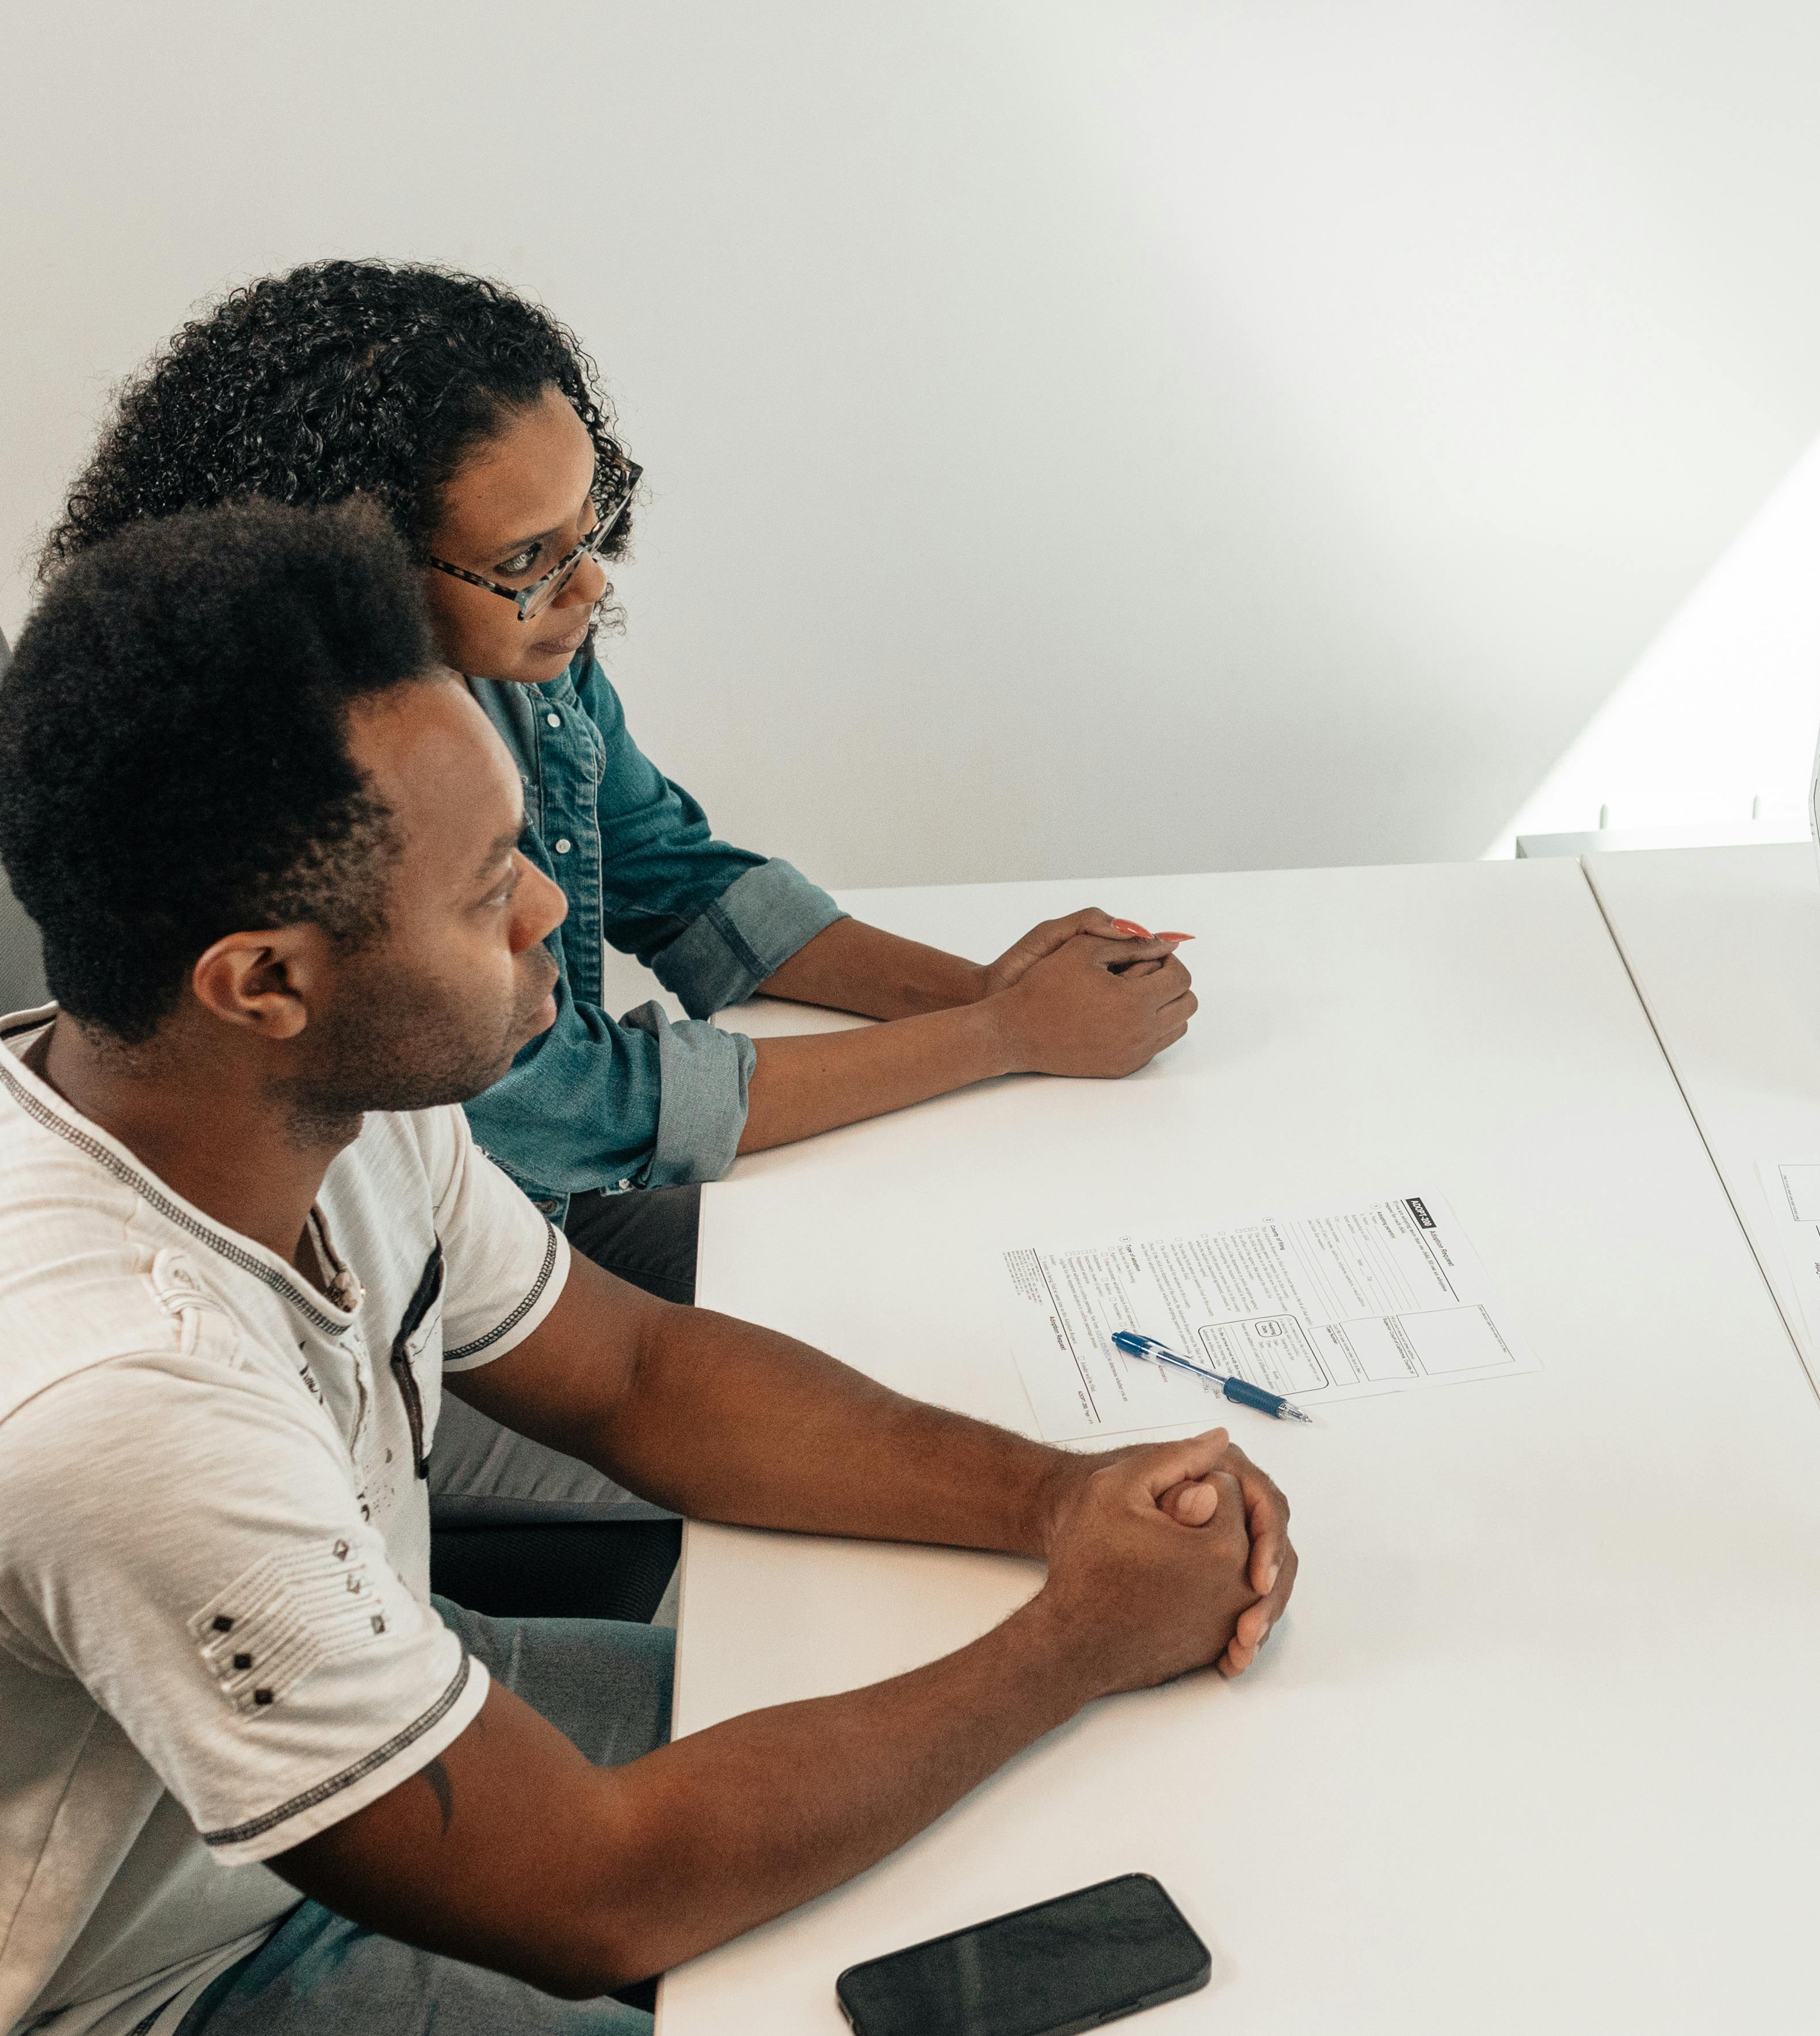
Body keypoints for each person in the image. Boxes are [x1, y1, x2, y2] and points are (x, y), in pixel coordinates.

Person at [0, 502, 1299, 2035]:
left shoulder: (322, 1107)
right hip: (162, 1972)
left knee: (1038, 1800)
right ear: (266, 982)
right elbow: (592, 1890)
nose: (549, 906)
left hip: (400, 1689)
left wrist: (1057, 1500)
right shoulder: (121, 1401)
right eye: (490, 889)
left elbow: (634, 1370)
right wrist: (1075, 1633)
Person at [45, 258, 1195, 1522]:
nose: (592, 583)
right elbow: (571, 1099)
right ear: (357, 559)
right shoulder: (274, 800)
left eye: (594, 520)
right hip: (422, 1319)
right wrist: (996, 1037)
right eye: (532, 555)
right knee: (853, 1453)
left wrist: (994, 991)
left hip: (522, 1243)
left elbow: (673, 873)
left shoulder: (524, 663)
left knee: (936, 1329)